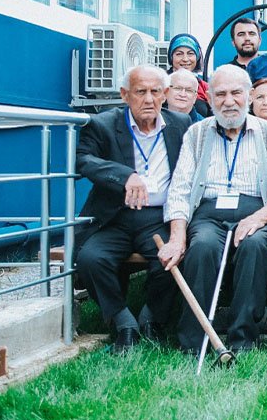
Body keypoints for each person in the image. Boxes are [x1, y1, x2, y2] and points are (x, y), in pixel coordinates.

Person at [163, 65, 267, 353]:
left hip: (260, 212)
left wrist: (259, 217)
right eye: (220, 94)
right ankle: (194, 341)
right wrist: (177, 236)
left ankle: (243, 339)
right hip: (208, 213)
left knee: (253, 246)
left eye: (236, 93)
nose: (228, 101)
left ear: (249, 96)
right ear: (209, 98)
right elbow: (179, 190)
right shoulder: (196, 134)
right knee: (201, 247)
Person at [76, 65, 192, 352]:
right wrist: (124, 175)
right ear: (125, 95)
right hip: (115, 216)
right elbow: (82, 160)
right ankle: (122, 321)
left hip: (158, 217)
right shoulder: (102, 124)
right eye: (141, 92)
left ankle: (152, 318)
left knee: (172, 257)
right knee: (91, 258)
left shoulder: (181, 124)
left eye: (155, 92)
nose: (149, 99)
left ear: (165, 94)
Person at [167, 33, 210, 118]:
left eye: (190, 53)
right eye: (179, 54)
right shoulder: (160, 82)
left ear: (197, 57)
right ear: (171, 57)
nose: (185, 59)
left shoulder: (205, 86)